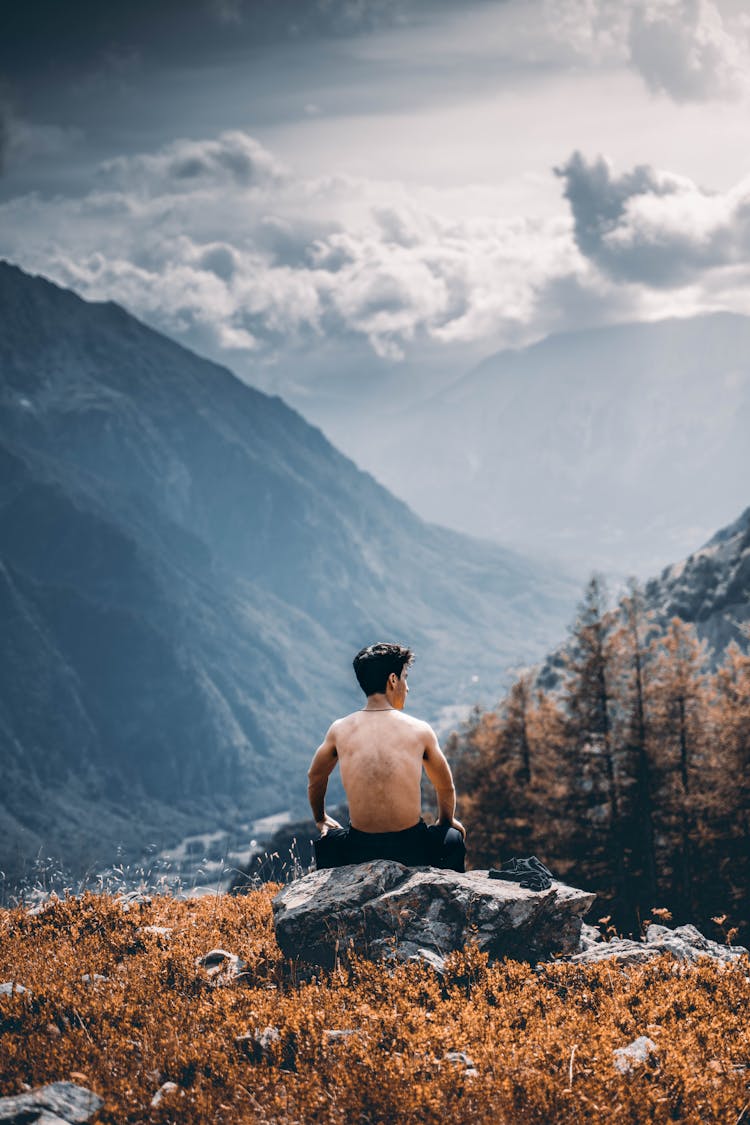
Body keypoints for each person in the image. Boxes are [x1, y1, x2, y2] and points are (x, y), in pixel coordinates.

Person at [307, 642, 467, 872]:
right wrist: (445, 821)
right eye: (405, 677)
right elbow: (445, 787)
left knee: (329, 843)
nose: (407, 687)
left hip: (358, 849)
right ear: (393, 680)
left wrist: (321, 818)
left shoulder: (339, 729)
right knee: (453, 838)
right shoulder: (419, 729)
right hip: (413, 848)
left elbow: (315, 777)